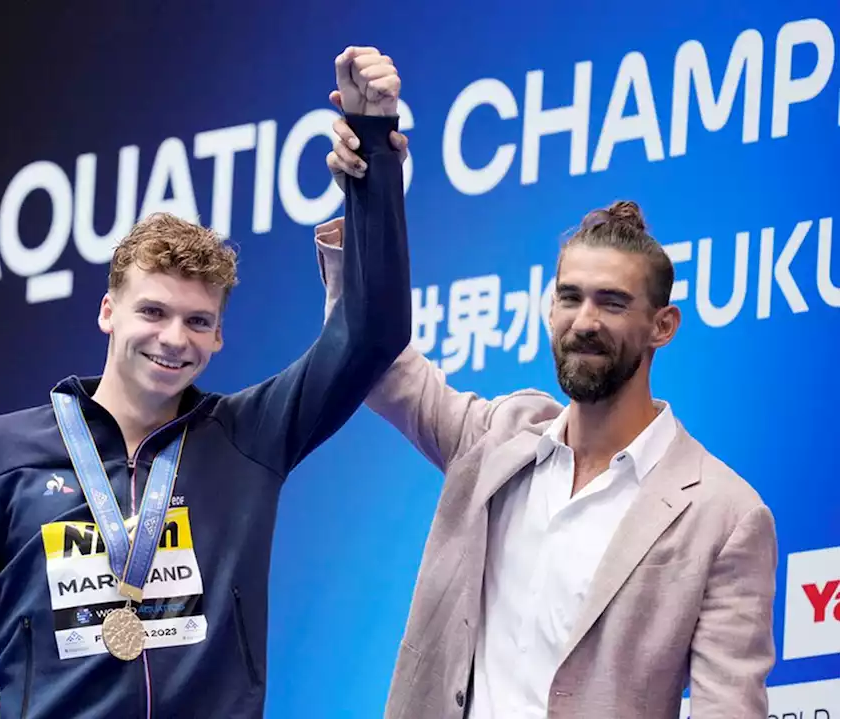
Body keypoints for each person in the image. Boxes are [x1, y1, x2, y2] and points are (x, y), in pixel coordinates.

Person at [0, 46, 412, 719]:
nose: (173, 338)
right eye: (153, 311)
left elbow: (373, 332)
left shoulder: (249, 436)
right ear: (108, 311)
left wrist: (373, 152)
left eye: (198, 321)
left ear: (220, 335)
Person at [317, 128, 778, 718]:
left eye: (612, 302)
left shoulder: (725, 514)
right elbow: (378, 362)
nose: (584, 321)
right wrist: (366, 201)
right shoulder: (497, 438)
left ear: (662, 326)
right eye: (569, 297)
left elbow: (729, 709)